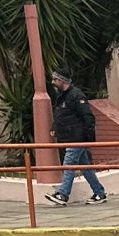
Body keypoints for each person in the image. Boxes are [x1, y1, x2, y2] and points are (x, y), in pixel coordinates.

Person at [45, 72, 108, 204]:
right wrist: (54, 127)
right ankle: (99, 192)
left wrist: (89, 137)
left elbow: (88, 117)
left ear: (63, 81)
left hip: (77, 137)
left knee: (68, 165)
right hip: (70, 137)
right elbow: (61, 115)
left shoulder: (76, 95)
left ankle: (63, 194)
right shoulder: (63, 96)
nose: (53, 82)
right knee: (85, 167)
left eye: (55, 79)